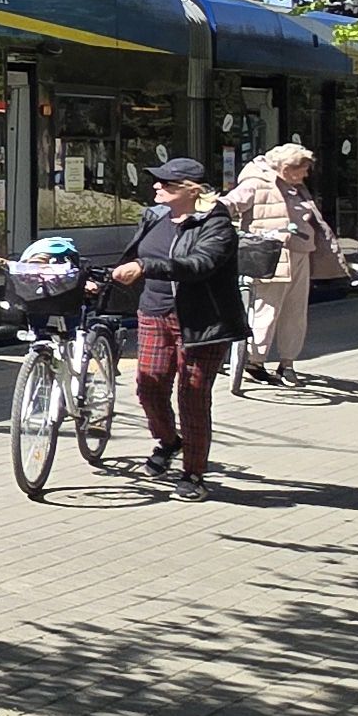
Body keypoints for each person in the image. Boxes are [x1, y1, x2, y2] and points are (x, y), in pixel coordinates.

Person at [109, 156, 246, 496]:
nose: (157, 186)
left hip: (202, 321)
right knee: (149, 386)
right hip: (153, 314)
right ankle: (169, 441)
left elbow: (200, 264)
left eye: (166, 183)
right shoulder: (155, 215)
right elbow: (134, 256)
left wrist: (146, 266)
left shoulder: (216, 224)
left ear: (191, 190)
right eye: (157, 180)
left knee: (192, 396)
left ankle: (193, 474)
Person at [224, 142, 334, 390]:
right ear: (287, 168)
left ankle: (287, 363)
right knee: (266, 310)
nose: (306, 174)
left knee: (295, 312)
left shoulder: (295, 186)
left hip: (300, 252)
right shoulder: (256, 182)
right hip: (270, 255)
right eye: (302, 169)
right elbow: (230, 203)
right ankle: (253, 361)